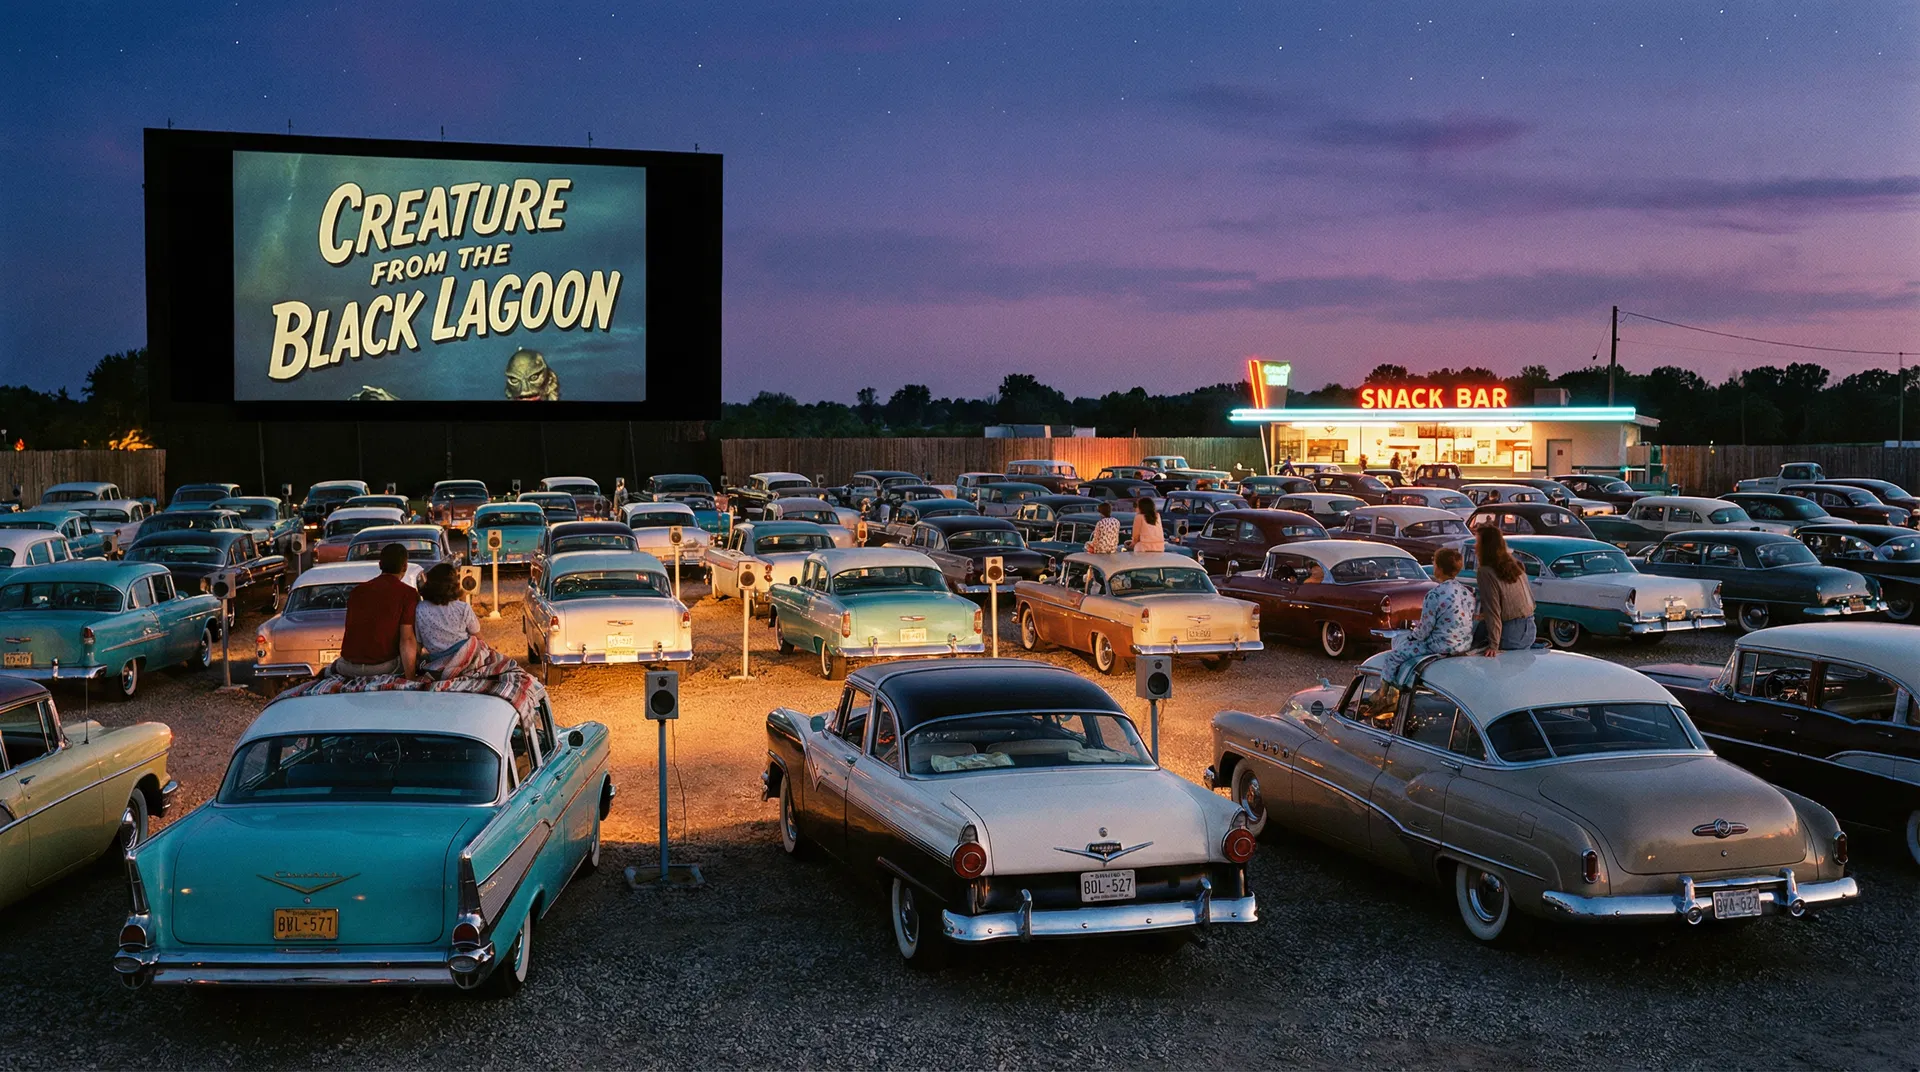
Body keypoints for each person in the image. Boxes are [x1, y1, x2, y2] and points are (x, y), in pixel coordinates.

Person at [1380, 546, 1475, 684]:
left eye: (1435, 563)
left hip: (1439, 646)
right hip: (1462, 645)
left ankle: (1386, 695)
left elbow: (1425, 630)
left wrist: (1412, 636)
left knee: (1392, 657)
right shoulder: (1467, 593)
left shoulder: (1434, 594)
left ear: (1440, 569)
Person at [334, 542, 420, 678]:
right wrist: (411, 679)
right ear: (405, 566)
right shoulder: (408, 594)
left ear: (380, 565)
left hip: (348, 667)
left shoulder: (357, 591)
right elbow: (407, 639)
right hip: (384, 668)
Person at [1473, 525, 1537, 653]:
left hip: (1510, 633)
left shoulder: (1485, 572)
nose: (1475, 546)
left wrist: (1493, 645)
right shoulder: (1515, 566)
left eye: (1477, 542)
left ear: (1485, 547)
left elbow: (1493, 610)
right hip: (1529, 628)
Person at [414, 562, 482, 661]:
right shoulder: (463, 608)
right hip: (464, 659)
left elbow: (419, 642)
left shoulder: (420, 609)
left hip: (436, 661)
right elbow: (477, 636)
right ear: (456, 585)